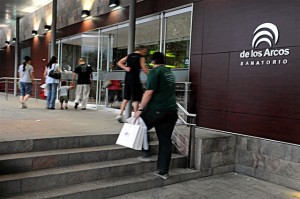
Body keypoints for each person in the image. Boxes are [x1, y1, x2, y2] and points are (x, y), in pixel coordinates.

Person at [134, 52, 178, 180]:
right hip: (171, 111)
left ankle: (145, 151)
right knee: (165, 140)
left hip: (157, 110)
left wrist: (140, 109)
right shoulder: (169, 73)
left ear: (153, 62)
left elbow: (148, 92)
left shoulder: (155, 72)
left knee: (139, 126)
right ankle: (163, 171)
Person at [116, 45, 149, 122]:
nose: (146, 52)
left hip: (127, 78)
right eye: (145, 51)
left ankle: (120, 114)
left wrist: (126, 68)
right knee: (136, 98)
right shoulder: (141, 57)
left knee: (126, 97)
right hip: (135, 78)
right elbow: (144, 68)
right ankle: (135, 117)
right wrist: (150, 76)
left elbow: (119, 62)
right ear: (141, 50)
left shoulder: (129, 56)